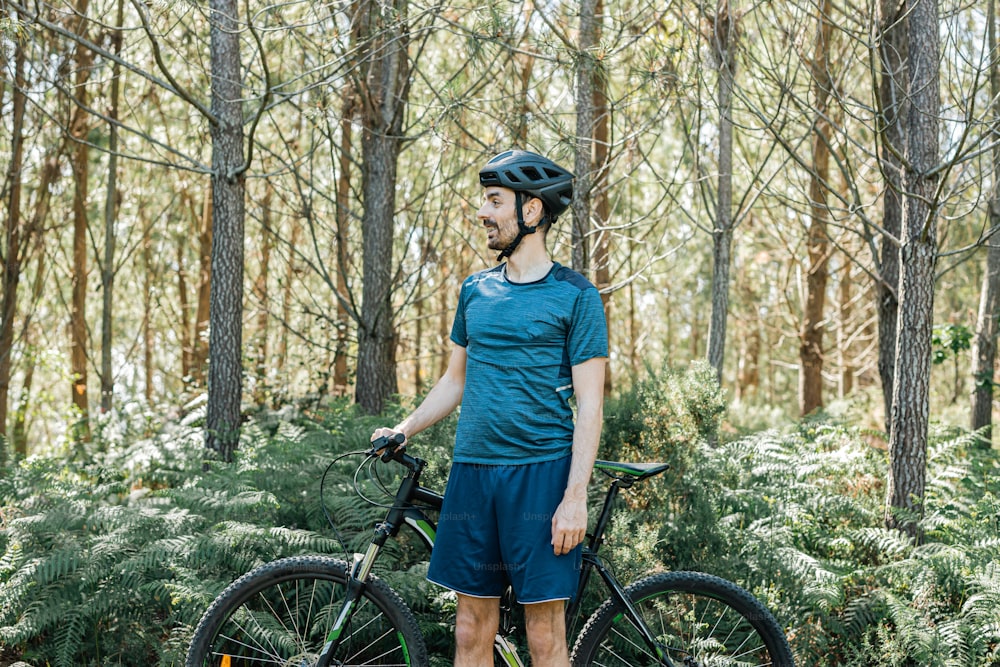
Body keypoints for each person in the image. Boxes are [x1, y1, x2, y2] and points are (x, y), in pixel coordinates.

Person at [371, 149, 608, 667]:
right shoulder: (475, 290)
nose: (483, 212)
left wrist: (575, 498)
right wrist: (404, 428)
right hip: (474, 473)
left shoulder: (576, 296)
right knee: (470, 627)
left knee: (544, 634)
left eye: (495, 201)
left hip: (541, 476)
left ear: (531, 211)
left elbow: (591, 404)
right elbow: (455, 380)